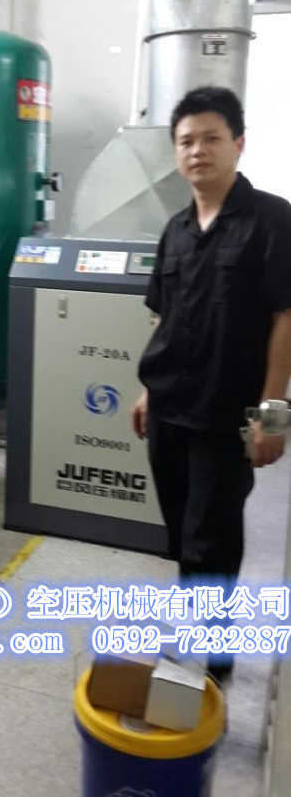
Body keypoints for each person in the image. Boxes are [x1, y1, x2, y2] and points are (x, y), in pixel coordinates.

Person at [131, 85, 291, 680]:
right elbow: (164, 317)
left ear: (238, 144)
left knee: (211, 537)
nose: (198, 150)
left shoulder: (272, 220)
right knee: (181, 532)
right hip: (169, 409)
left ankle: (216, 657)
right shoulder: (174, 230)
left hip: (227, 416)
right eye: (186, 141)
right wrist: (149, 390)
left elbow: (286, 317)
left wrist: (273, 413)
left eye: (211, 138)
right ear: (176, 153)